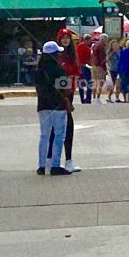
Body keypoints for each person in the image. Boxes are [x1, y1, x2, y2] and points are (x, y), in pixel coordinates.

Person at [35, 41, 71, 175]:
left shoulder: (38, 71)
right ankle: (55, 165)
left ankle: (41, 165)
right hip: (58, 106)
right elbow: (66, 89)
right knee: (59, 136)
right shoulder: (59, 69)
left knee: (44, 136)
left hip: (43, 106)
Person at [50, 29, 81, 172]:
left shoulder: (72, 56)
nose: (66, 40)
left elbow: (76, 74)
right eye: (63, 37)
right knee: (55, 127)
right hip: (58, 95)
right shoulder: (56, 56)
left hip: (69, 94)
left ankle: (68, 159)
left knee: (67, 126)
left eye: (68, 38)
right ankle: (51, 158)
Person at [76, 32, 94, 104]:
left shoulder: (78, 46)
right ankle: (88, 98)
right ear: (87, 40)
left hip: (79, 66)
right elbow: (89, 58)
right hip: (86, 66)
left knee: (81, 83)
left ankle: (82, 99)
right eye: (90, 40)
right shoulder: (87, 48)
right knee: (89, 83)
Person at [90, 34, 108, 101]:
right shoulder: (101, 46)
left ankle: (93, 97)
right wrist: (105, 68)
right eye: (106, 40)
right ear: (103, 39)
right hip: (100, 66)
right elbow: (102, 58)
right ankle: (97, 97)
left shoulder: (94, 45)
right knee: (100, 82)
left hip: (93, 65)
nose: (107, 41)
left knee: (94, 82)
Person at [118, 38, 129, 103]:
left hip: (123, 69)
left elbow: (120, 61)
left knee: (124, 83)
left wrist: (119, 70)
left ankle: (125, 98)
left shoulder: (123, 51)